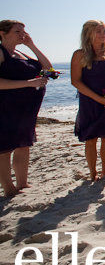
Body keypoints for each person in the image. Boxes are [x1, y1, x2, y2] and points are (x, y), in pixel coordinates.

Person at [0, 20, 51, 198]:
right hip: (6, 107)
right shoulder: (1, 52)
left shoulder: (22, 52)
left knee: (23, 144)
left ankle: (22, 182)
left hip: (27, 109)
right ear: (2, 33)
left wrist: (32, 45)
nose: (22, 34)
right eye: (17, 31)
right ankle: (8, 187)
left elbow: (48, 69)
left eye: (24, 31)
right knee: (5, 148)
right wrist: (28, 84)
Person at [71, 20, 105, 181]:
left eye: (104, 31)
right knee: (90, 137)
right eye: (98, 31)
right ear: (88, 33)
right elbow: (76, 81)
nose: (103, 34)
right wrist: (98, 99)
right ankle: (93, 173)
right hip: (89, 101)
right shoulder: (79, 54)